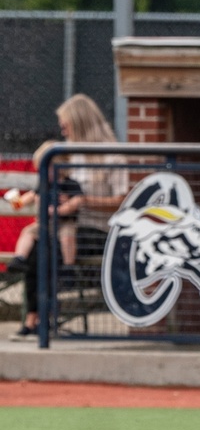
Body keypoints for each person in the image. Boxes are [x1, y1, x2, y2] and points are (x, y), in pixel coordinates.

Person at [9, 94, 126, 340]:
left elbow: (122, 201)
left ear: (79, 121)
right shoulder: (67, 155)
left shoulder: (112, 156)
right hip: (60, 225)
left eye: (66, 125)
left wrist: (82, 202)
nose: (63, 130)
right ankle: (35, 317)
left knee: (47, 249)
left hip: (94, 229)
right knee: (36, 250)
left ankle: (43, 318)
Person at [5, 140, 83, 279]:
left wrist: (62, 209)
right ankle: (20, 258)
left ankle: (69, 267)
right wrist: (16, 202)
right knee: (28, 232)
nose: (45, 171)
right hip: (44, 224)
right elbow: (29, 197)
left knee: (67, 237)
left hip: (64, 222)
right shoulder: (43, 184)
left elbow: (78, 200)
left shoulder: (69, 183)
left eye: (49, 167)